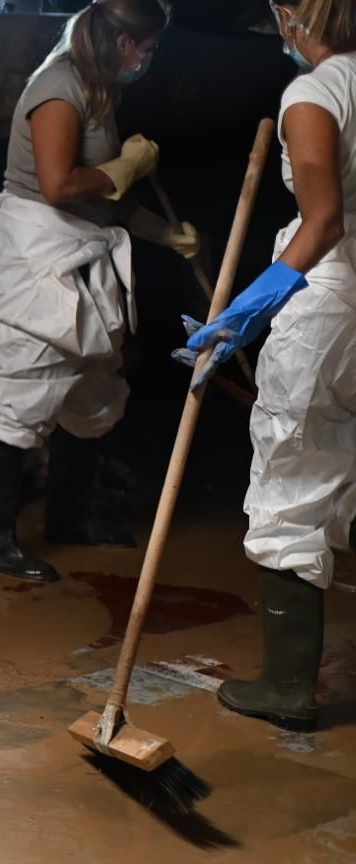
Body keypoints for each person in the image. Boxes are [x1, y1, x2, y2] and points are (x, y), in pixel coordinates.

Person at [0, 0, 198, 583]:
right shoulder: (58, 85)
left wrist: (159, 231)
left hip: (81, 246)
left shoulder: (98, 88)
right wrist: (125, 165)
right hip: (40, 248)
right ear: (123, 43)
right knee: (22, 384)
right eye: (146, 48)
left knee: (93, 385)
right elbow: (57, 184)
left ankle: (70, 517)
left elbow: (102, 196)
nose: (148, 59)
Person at [175, 0, 356, 732]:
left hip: (333, 302)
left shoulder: (312, 93)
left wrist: (251, 305)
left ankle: (286, 686)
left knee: (291, 478)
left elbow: (325, 220)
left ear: (290, 15)